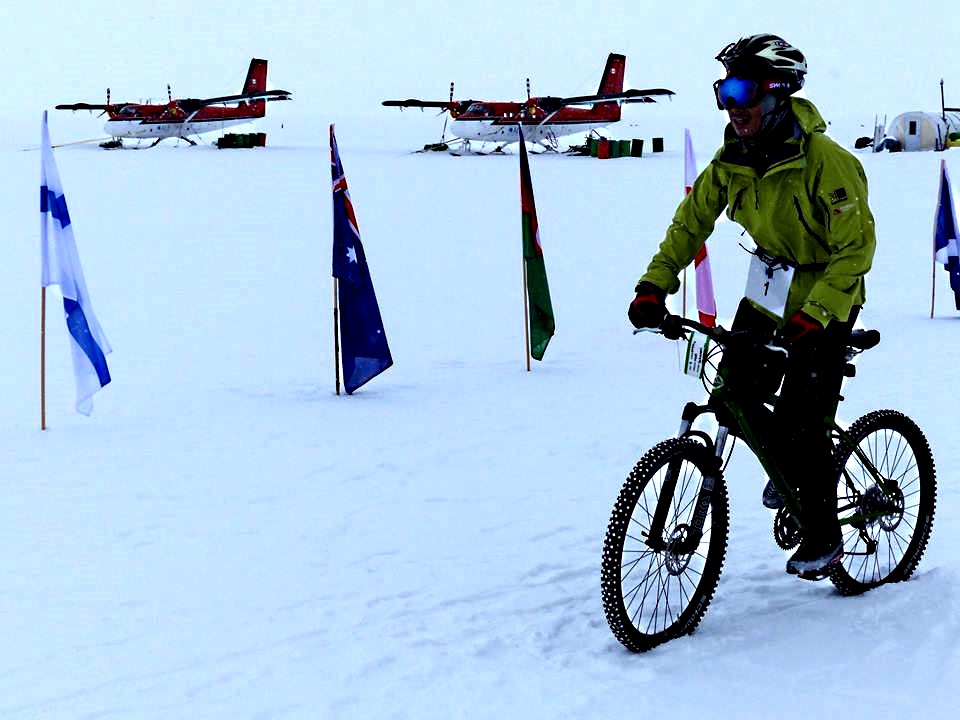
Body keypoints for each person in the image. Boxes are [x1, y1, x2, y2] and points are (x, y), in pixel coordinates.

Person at [627, 34, 876, 579]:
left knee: (802, 421)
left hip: (825, 293)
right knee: (734, 386)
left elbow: (856, 249)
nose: (732, 106)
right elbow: (690, 223)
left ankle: (824, 531)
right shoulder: (732, 160)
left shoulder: (827, 163)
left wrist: (819, 315)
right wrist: (654, 284)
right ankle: (787, 463)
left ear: (778, 94)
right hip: (768, 288)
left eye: (742, 90)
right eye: (723, 91)